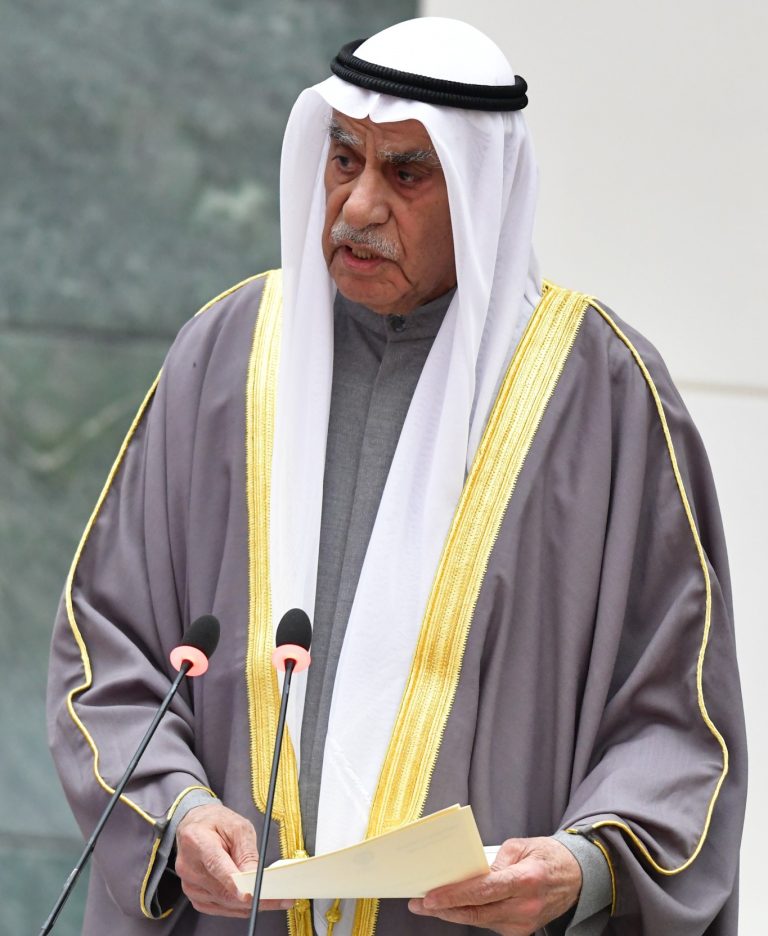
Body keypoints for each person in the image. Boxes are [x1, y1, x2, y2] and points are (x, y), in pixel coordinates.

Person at [47, 16, 746, 936]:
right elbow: (107, 650)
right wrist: (174, 810)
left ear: (484, 191)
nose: (358, 207)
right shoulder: (226, 356)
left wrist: (582, 868)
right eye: (344, 159)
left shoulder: (604, 396)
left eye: (407, 174)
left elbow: (681, 723)